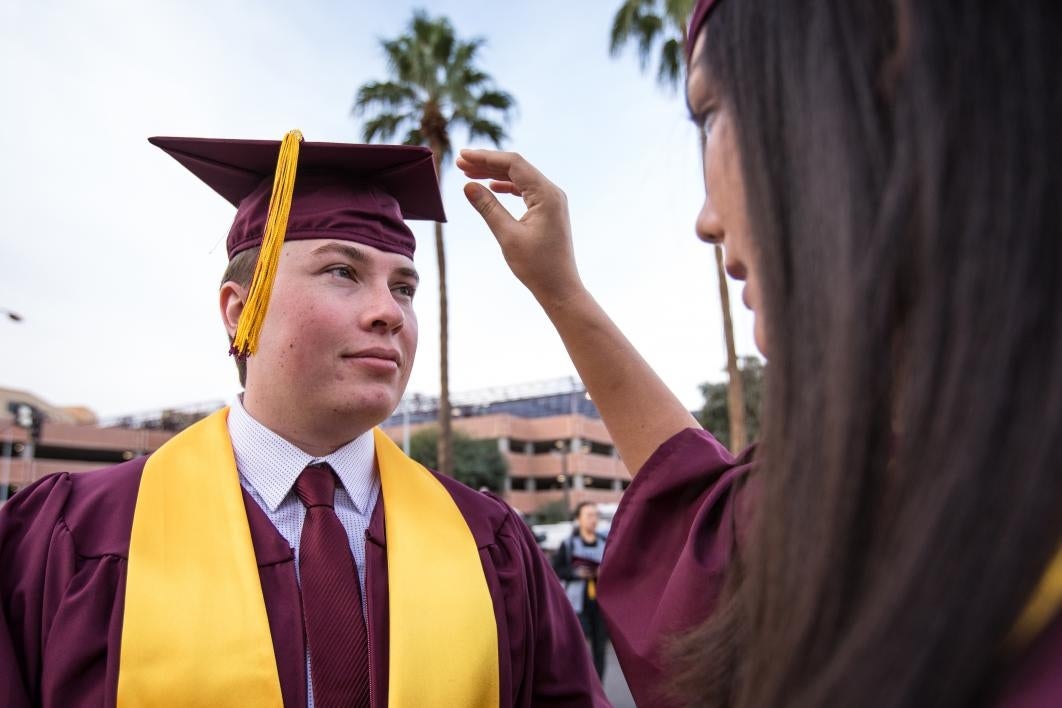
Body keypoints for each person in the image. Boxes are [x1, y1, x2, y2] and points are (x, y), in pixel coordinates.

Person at [457, 0, 1062, 705]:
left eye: (711, 113)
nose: (706, 221)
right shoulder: (893, 503)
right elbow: (703, 530)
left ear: (896, 71)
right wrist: (560, 290)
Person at [0, 132, 608, 708]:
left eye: (404, 288)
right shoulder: (73, 537)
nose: (388, 313)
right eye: (342, 272)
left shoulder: (489, 542)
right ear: (241, 312)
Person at [552, 502, 609, 679]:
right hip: (577, 604)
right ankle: (582, 686)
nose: (593, 519)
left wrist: (603, 571)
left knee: (600, 649)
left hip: (601, 605)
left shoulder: (605, 543)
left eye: (595, 515)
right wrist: (575, 574)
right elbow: (556, 570)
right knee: (579, 648)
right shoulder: (569, 544)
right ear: (578, 519)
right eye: (589, 515)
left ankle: (599, 690)